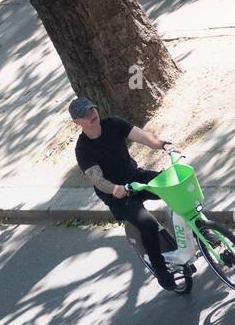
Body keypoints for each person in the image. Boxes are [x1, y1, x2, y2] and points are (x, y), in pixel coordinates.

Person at [70, 96, 181, 291]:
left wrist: (165, 145)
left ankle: (201, 230)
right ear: (77, 122)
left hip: (134, 176)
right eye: (84, 115)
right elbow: (97, 179)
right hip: (116, 194)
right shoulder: (83, 150)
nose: (91, 115)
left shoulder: (113, 123)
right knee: (147, 224)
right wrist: (114, 189)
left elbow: (143, 137)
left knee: (174, 186)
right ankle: (160, 269)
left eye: (91, 109)